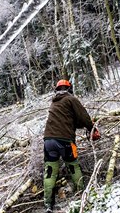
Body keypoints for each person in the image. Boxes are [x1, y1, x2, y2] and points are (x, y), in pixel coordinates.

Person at [42, 79, 100, 212]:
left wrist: (81, 125)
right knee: (73, 166)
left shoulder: (54, 103)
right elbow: (83, 117)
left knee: (50, 171)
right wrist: (92, 128)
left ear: (57, 90)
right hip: (65, 141)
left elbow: (72, 121)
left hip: (48, 141)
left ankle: (48, 205)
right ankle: (83, 194)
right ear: (69, 89)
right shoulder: (71, 99)